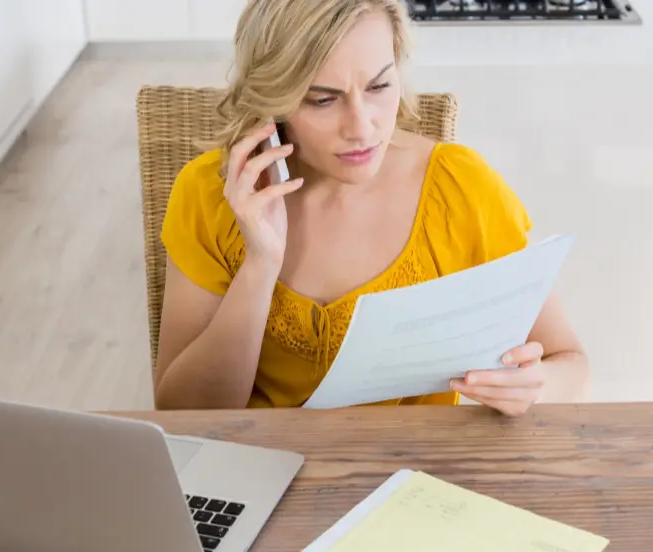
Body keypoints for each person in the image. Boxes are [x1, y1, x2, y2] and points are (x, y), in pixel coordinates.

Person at [153, 0, 589, 416]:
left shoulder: (461, 190)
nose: (362, 128)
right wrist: (260, 266)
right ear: (274, 98)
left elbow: (570, 363)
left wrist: (534, 388)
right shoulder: (210, 195)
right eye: (322, 99)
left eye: (379, 86)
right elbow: (182, 413)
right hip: (256, 472)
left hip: (415, 480)